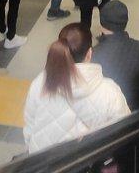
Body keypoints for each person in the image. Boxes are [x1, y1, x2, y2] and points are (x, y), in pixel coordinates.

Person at [23, 23, 131, 152]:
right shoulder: (110, 92)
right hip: (86, 160)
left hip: (43, 159)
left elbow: (29, 128)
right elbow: (123, 132)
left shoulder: (41, 82)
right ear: (89, 53)